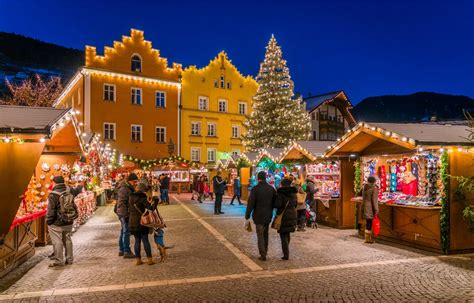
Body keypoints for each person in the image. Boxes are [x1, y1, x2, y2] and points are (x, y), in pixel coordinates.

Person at [46, 175, 79, 267]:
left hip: (57, 221)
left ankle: (59, 261)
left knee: (57, 241)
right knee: (67, 239)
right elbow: (77, 191)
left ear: (54, 182)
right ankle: (69, 259)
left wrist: (49, 221)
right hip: (69, 219)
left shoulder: (53, 194)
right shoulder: (70, 190)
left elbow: (51, 210)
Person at [245, 171, 276, 261]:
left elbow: (250, 203)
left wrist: (247, 215)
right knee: (265, 233)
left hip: (258, 215)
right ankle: (265, 251)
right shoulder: (271, 189)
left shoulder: (255, 189)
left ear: (258, 178)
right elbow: (275, 202)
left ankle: (262, 253)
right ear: (266, 177)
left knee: (260, 235)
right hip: (268, 215)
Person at [129, 182, 158, 265]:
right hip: (141, 222)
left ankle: (138, 260)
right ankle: (150, 260)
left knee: (137, 241)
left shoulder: (130, 197)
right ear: (142, 190)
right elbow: (151, 209)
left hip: (132, 222)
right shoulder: (142, 198)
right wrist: (155, 201)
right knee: (145, 240)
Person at [115, 173, 139, 258]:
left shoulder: (126, 187)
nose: (136, 183)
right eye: (134, 181)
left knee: (123, 230)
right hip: (124, 212)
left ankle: (121, 250)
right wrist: (125, 215)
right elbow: (122, 203)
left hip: (123, 212)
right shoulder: (124, 188)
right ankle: (126, 251)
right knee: (126, 231)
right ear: (130, 181)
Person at [275, 178, 298, 260]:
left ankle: (286, 254)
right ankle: (286, 251)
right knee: (287, 233)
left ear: (282, 184)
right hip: (292, 213)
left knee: (283, 234)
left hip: (283, 215)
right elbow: (296, 204)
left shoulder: (281, 194)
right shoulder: (294, 193)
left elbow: (277, 204)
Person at [362, 176, 379, 244]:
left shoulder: (365, 187)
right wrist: (376, 210)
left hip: (365, 206)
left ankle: (367, 238)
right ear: (374, 181)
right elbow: (374, 200)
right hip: (370, 208)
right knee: (369, 223)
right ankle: (368, 239)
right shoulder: (374, 188)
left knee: (368, 222)